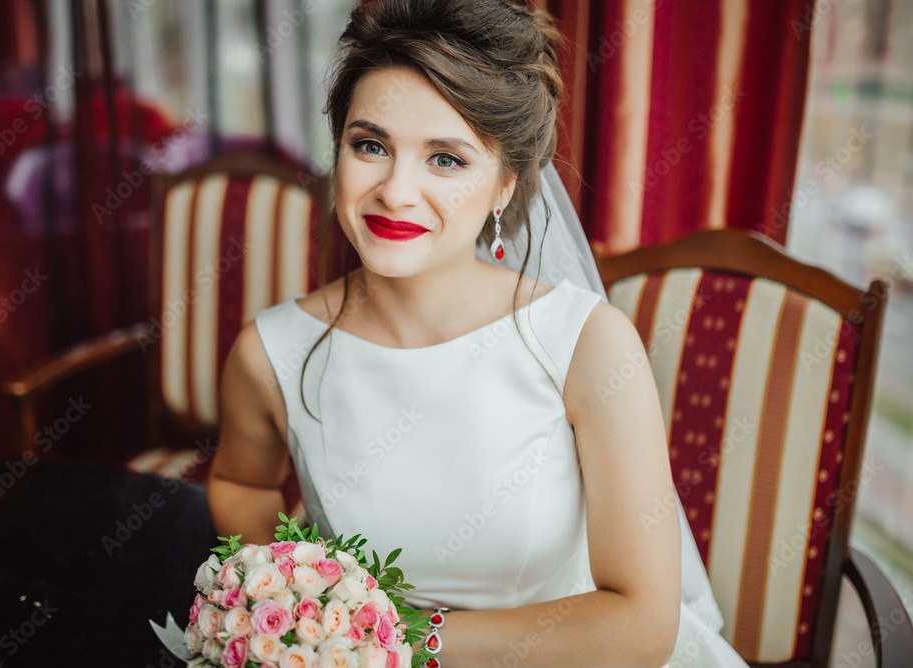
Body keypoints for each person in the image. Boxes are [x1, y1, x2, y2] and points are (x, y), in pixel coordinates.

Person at [207, 1, 750, 665]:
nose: (397, 191)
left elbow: (640, 625)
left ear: (505, 186)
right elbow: (243, 484)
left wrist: (395, 639)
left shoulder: (587, 345)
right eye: (370, 145)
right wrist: (290, 609)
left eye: (446, 159)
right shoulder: (270, 354)